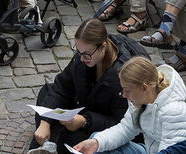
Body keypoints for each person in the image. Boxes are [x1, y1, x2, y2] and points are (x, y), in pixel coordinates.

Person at [30, 18, 147, 152]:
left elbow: (121, 124)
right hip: (84, 107)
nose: (81, 58)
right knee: (46, 92)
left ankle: (51, 141)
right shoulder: (84, 58)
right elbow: (61, 86)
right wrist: (45, 121)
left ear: (102, 47)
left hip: (102, 125)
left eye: (86, 54)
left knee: (70, 139)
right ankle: (47, 139)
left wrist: (85, 121)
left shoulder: (122, 76)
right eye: (78, 52)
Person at [70, 55, 186, 154]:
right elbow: (125, 129)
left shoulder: (173, 112)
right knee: (95, 142)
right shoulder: (139, 101)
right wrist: (96, 143)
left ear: (144, 87)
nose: (123, 95)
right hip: (151, 150)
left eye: (127, 90)